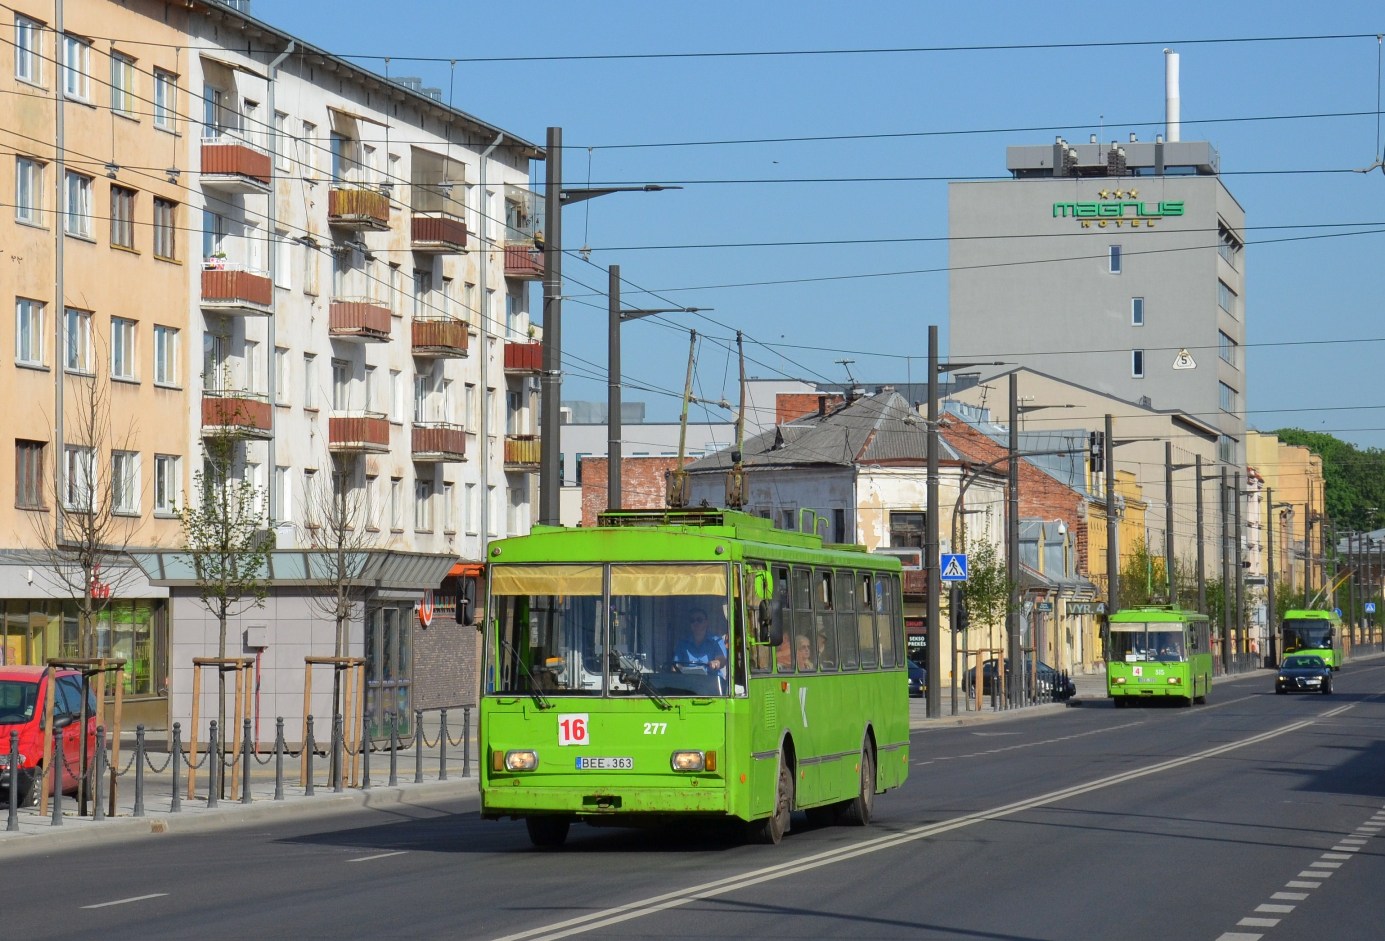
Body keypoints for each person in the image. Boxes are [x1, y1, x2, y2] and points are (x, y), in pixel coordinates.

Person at [673, 606, 727, 676]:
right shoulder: (682, 644)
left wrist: (716, 663)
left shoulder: (716, 640)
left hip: (712, 683)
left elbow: (722, 660)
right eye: (692, 620)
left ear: (706, 622)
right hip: (688, 683)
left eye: (699, 620)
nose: (696, 623)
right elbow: (675, 667)